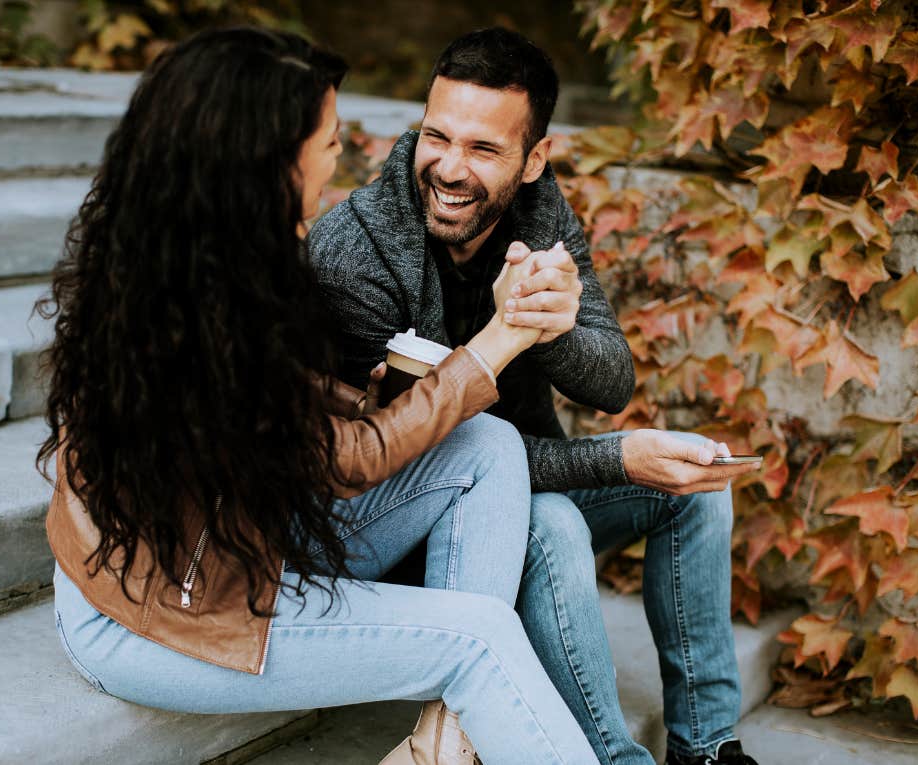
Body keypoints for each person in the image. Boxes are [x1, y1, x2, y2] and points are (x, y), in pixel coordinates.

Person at [36, 27, 603, 765]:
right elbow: (343, 463)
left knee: (488, 442)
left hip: (245, 538)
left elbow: (264, 424)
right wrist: (497, 339)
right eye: (330, 140)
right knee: (479, 637)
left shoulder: (205, 247)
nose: (344, 155)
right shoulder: (196, 303)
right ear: (271, 157)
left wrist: (359, 395)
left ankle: (439, 746)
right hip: (167, 614)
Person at [309, 28, 763, 765]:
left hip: (516, 478)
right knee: (548, 520)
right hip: (409, 522)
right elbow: (403, 463)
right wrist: (616, 454)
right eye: (437, 136)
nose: (450, 168)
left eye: (484, 149)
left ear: (533, 160)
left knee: (696, 486)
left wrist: (548, 328)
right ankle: (615, 757)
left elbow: (613, 382)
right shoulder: (356, 252)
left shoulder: (541, 213)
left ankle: (707, 746)